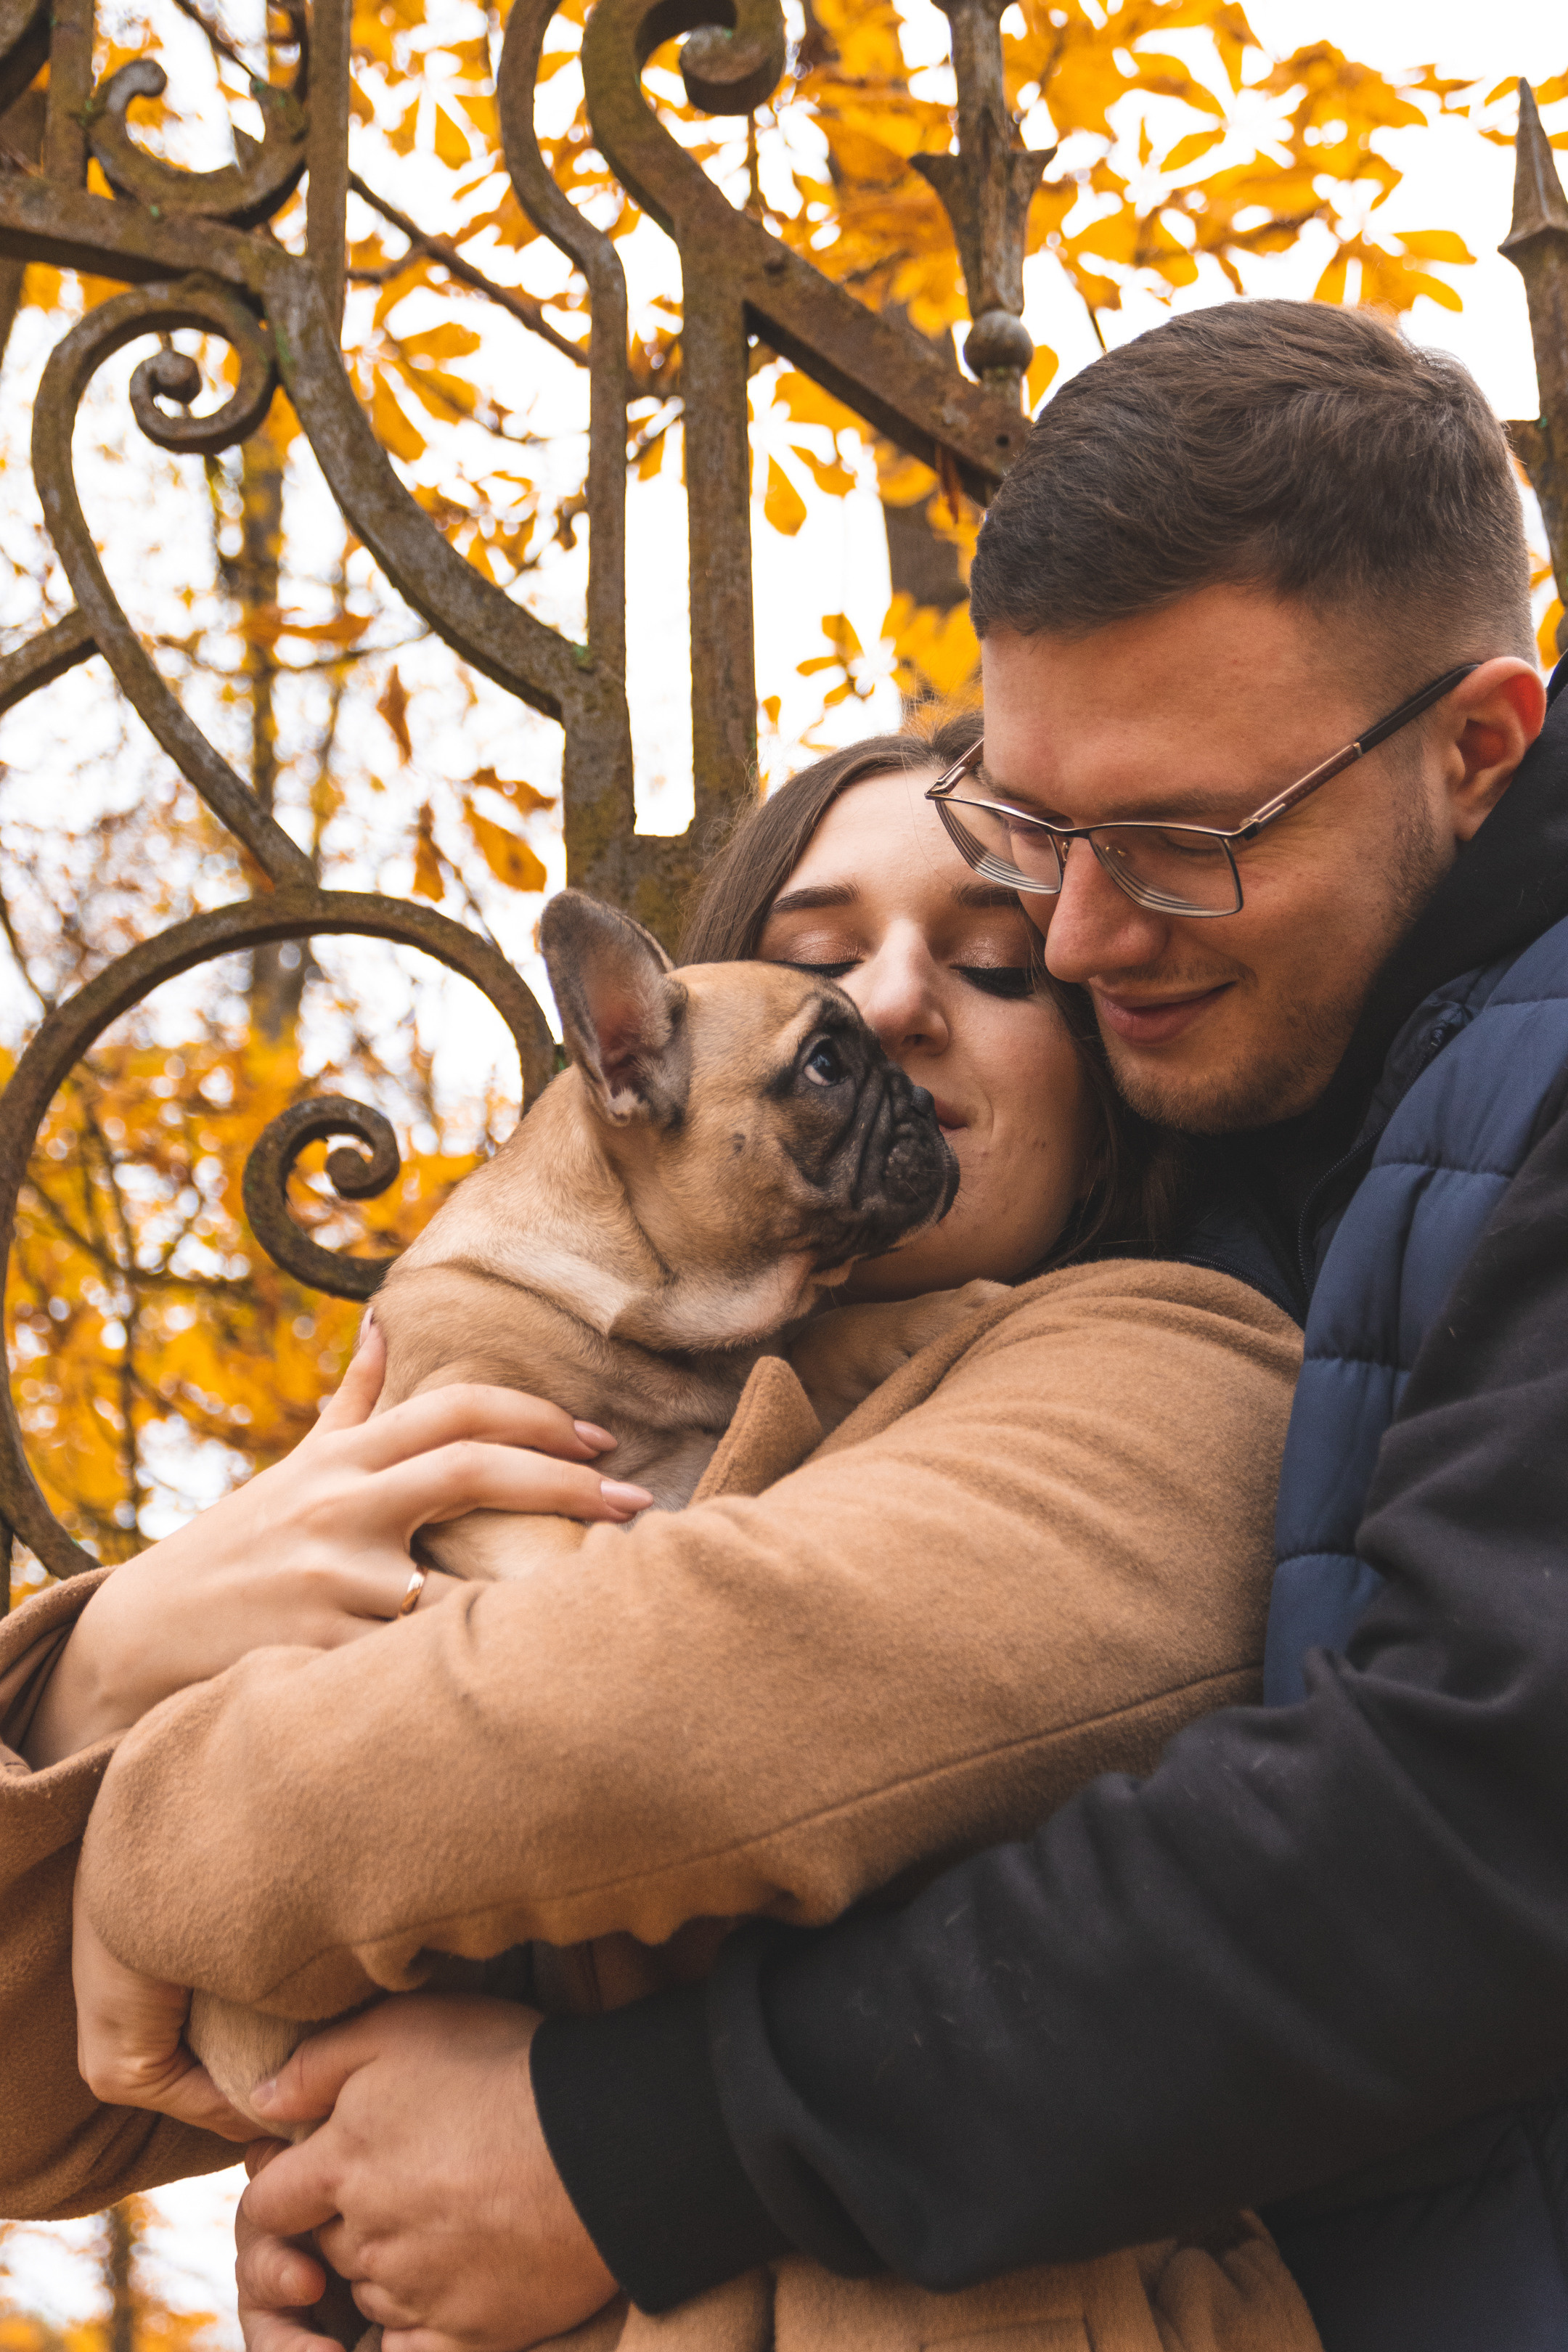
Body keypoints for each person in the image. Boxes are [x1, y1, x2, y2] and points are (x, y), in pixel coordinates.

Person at [219, 300, 1568, 2352]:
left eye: (1177, 847)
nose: (1097, 937)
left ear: (1479, 748)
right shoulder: (1292, 1124)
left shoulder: (1202, 1304)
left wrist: (622, 2145)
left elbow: (1466, 1828)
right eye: (1042, 834)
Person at [0, 732, 1318, 2352]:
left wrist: (155, 1842)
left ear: (1113, 1067)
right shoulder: (469, 1398)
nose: (899, 1008)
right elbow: (31, 2111)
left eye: (994, 962)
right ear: (642, 1065)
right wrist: (108, 1665)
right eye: (818, 982)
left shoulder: (1175, 1365)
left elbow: (651, 1707)